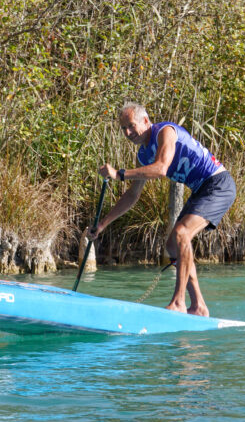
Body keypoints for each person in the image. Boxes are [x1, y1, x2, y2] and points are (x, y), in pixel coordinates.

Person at [87, 102, 236, 316]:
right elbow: (132, 195)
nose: (128, 133)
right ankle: (199, 306)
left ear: (146, 121)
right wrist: (102, 224)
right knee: (172, 245)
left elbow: (161, 168)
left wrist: (119, 174)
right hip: (201, 190)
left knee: (181, 234)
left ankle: (178, 302)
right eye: (123, 129)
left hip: (218, 184)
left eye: (131, 126)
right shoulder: (143, 154)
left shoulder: (165, 132)